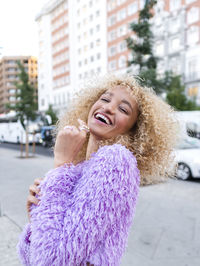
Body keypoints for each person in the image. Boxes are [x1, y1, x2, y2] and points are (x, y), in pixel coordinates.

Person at [17, 74, 177, 265]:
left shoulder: (116, 162)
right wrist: (36, 219)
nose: (108, 107)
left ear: (134, 132)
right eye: (105, 98)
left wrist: (61, 163)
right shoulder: (81, 169)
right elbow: (33, 258)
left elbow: (53, 261)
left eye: (123, 109)